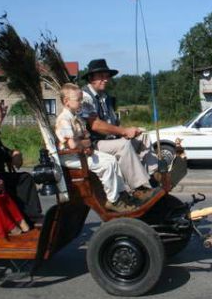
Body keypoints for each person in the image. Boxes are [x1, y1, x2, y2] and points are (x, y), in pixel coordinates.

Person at [79, 58, 160, 202]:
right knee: (123, 145)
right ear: (91, 78)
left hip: (110, 140)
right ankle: (139, 188)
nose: (106, 79)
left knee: (143, 136)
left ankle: (154, 175)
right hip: (94, 143)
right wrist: (123, 132)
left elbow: (113, 123)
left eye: (107, 76)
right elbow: (95, 125)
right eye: (101, 76)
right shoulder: (85, 97)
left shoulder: (105, 97)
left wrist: (129, 130)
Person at [55, 83, 136, 213]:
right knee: (106, 165)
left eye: (82, 99)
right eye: (78, 100)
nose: (81, 103)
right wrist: (84, 144)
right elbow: (72, 145)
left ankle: (121, 193)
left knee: (111, 160)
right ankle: (113, 200)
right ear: (66, 101)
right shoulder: (64, 119)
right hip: (71, 157)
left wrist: (84, 144)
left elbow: (86, 138)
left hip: (81, 153)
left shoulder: (76, 118)